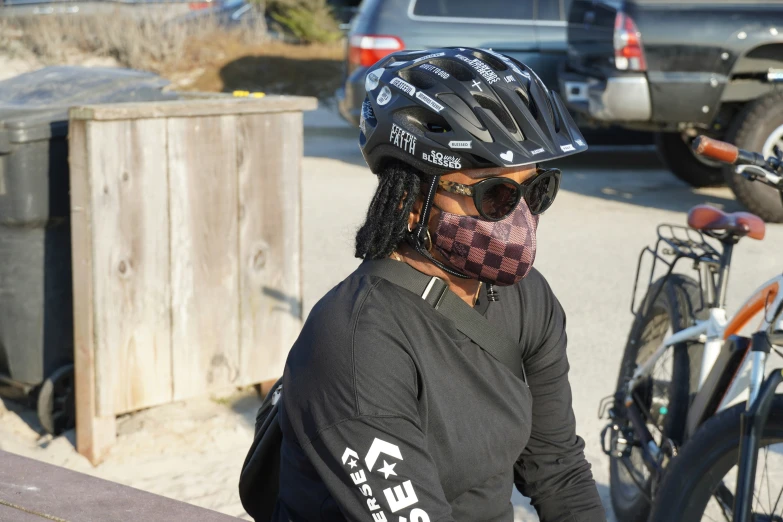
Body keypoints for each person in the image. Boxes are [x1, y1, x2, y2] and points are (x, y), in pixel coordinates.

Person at [274, 47, 605, 521]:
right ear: (411, 199)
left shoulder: (527, 297)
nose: (520, 219)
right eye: (495, 195)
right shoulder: (355, 344)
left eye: (536, 190)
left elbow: (559, 470)